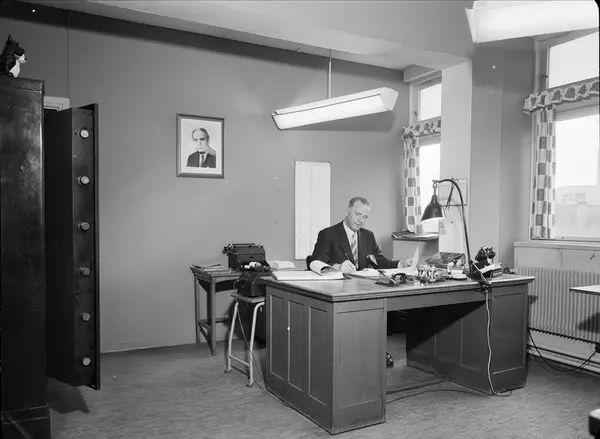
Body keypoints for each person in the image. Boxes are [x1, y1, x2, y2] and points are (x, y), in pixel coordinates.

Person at [308, 196, 415, 368]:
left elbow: (380, 261)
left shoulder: (368, 236)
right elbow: (316, 261)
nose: (361, 220)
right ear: (347, 211)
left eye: (365, 217)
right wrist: (337, 266)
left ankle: (374, 352)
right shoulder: (328, 234)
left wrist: (400, 264)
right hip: (339, 292)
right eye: (358, 214)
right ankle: (350, 356)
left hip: (365, 290)